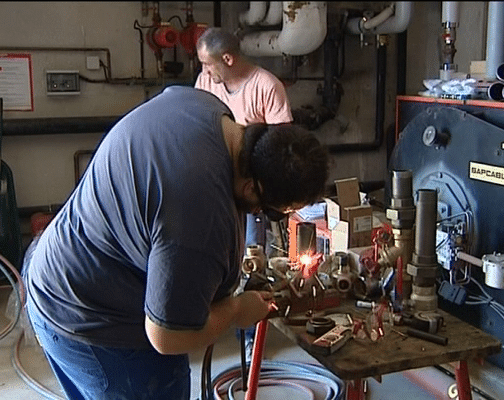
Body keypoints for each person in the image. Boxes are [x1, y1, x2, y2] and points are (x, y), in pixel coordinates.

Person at [23, 85, 330, 400]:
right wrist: (237, 310)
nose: (262, 215)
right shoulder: (198, 213)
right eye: (275, 211)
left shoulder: (202, 105)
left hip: (59, 265)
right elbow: (167, 337)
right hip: (91, 317)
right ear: (252, 186)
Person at [194, 27, 293, 252]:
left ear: (227, 59)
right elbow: (196, 125)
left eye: (208, 64)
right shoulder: (205, 82)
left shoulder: (266, 86)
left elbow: (281, 143)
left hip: (249, 180)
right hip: (215, 174)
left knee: (250, 246)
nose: (204, 70)